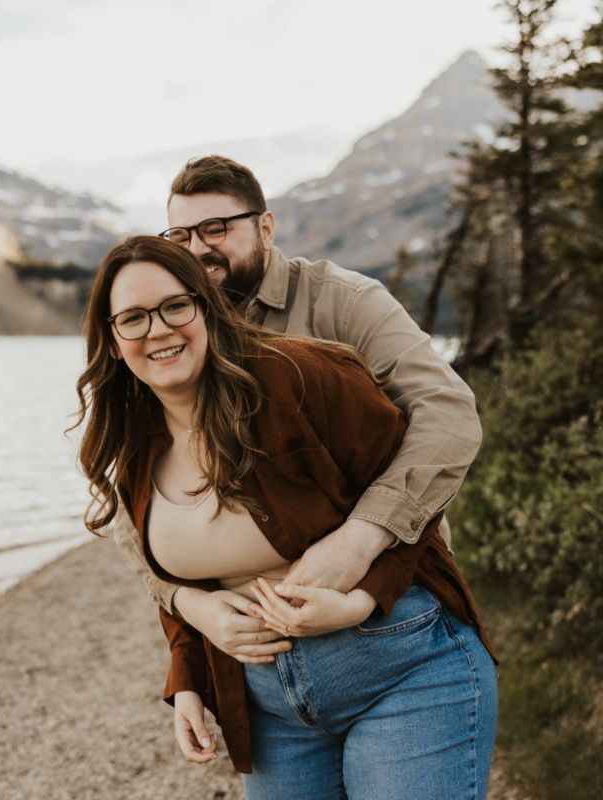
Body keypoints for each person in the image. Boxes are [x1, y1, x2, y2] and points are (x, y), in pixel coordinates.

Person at [73, 236, 497, 799]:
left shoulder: (298, 379)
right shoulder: (132, 444)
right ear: (111, 342)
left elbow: (417, 495)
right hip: (273, 719)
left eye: (176, 306)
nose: (159, 329)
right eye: (133, 318)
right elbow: (173, 579)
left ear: (207, 309)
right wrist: (189, 679)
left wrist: (362, 595)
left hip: (404, 677)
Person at [112, 156, 483, 668]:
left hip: (386, 607)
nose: (197, 249)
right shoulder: (176, 339)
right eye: (181, 235)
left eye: (216, 228)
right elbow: (135, 501)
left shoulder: (344, 303)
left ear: (265, 227)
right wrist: (187, 608)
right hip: (262, 659)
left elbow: (448, 412)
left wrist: (361, 540)